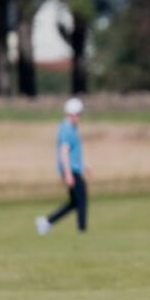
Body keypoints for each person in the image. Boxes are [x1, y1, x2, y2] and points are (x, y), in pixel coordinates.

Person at [35, 97, 92, 235]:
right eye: (78, 114)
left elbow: (75, 153)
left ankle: (47, 221)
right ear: (72, 114)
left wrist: (85, 165)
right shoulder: (67, 130)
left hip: (75, 169)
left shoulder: (71, 128)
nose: (79, 117)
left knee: (74, 202)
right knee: (81, 200)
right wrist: (67, 174)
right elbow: (64, 152)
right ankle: (82, 230)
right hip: (71, 170)